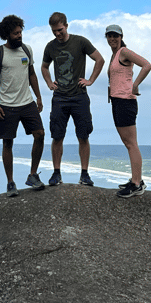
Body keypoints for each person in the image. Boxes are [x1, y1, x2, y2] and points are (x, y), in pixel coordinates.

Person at [41, 12, 105, 186]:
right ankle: (56, 174)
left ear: (66, 25)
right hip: (60, 97)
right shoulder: (50, 47)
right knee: (57, 136)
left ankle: (84, 174)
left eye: (60, 30)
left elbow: (99, 59)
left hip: (79, 97)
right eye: (54, 31)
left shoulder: (80, 42)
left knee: (83, 136)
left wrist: (90, 80)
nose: (57, 34)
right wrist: (48, 82)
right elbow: (44, 67)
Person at [0, 15, 45, 197]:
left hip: (27, 102)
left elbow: (32, 74)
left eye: (20, 32)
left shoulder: (27, 50)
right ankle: (10, 183)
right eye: (15, 33)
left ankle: (33, 175)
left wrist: (38, 97)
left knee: (40, 134)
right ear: (7, 34)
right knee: (8, 143)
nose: (19, 35)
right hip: (6, 105)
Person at [104, 24, 151, 198]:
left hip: (126, 102)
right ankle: (136, 179)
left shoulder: (124, 52)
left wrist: (135, 84)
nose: (112, 39)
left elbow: (146, 65)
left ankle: (136, 184)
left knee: (131, 143)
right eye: (109, 36)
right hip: (117, 102)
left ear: (121, 36)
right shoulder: (114, 55)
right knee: (128, 142)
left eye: (115, 36)